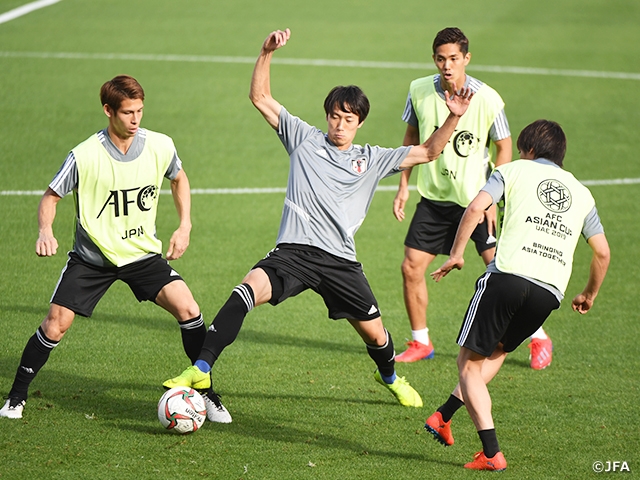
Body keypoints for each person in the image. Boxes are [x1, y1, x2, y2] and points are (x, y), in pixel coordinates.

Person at [163, 28, 474, 410]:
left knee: (376, 336)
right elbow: (259, 97)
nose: (340, 124)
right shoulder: (303, 139)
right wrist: (266, 52)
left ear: (359, 122)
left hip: (340, 261)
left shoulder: (372, 158)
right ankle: (202, 367)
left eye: (348, 118)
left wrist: (453, 118)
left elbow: (428, 151)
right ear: (326, 116)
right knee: (245, 291)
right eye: (335, 116)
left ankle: (390, 376)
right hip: (293, 252)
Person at [0, 75, 231, 424]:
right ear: (108, 111)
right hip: (93, 259)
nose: (136, 119)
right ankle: (16, 397)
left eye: (139, 110)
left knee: (189, 309)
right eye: (127, 112)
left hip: (142, 255)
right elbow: (51, 196)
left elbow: (179, 178)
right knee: (55, 325)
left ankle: (206, 392)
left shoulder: (160, 145)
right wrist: (45, 230)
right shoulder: (84, 155)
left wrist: (185, 225)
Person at [423, 119, 610, 470]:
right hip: (549, 293)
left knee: (467, 363)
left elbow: (476, 207)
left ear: (529, 150)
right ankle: (443, 417)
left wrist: (457, 253)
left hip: (508, 276)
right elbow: (602, 252)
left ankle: (491, 453)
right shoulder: (583, 194)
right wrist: (589, 294)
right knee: (496, 351)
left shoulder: (513, 170)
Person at [392, 27, 553, 369]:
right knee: (411, 267)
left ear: (466, 58)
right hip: (435, 199)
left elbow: (504, 145)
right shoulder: (418, 90)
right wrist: (403, 184)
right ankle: (421, 341)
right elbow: (411, 138)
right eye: (440, 59)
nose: (446, 66)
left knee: (506, 270)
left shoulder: (488, 98)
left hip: (474, 201)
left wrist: (495, 195)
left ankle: (538, 336)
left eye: (453, 58)